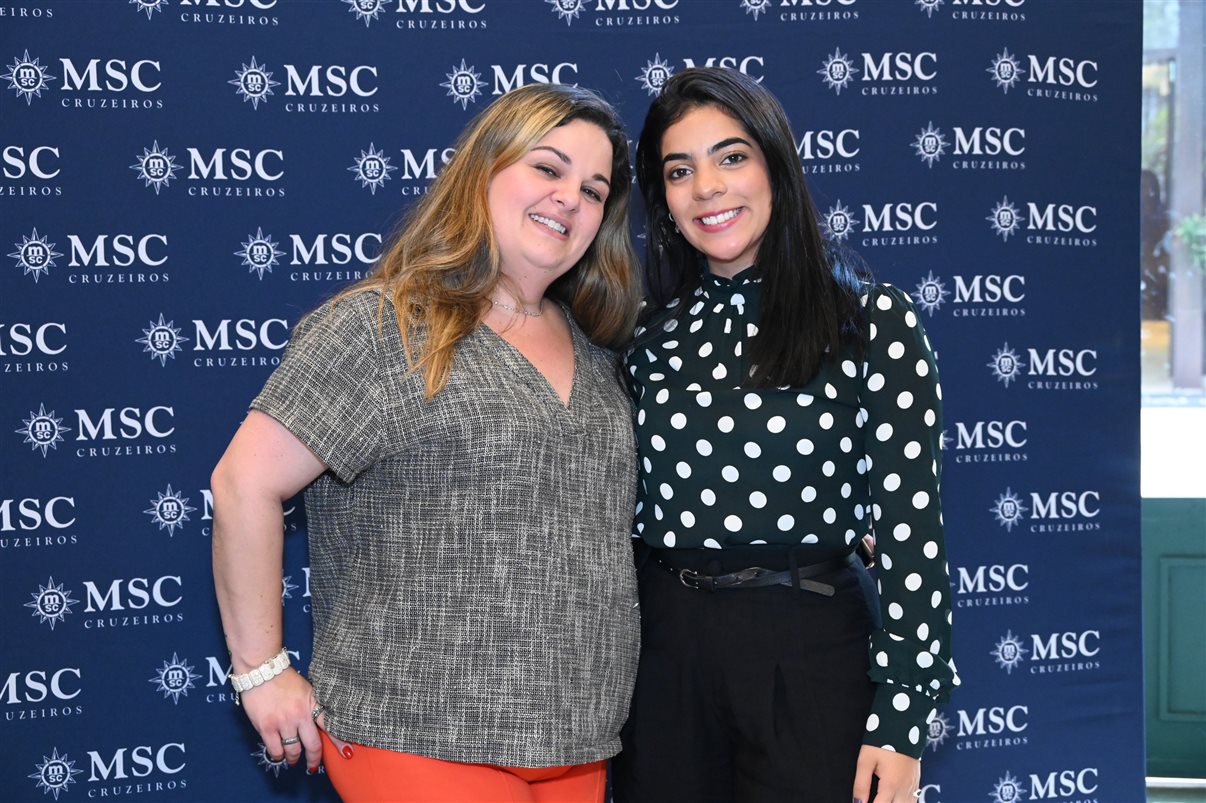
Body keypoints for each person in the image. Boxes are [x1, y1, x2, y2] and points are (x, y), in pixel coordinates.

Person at [211, 83, 642, 803]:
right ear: (484, 170)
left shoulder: (600, 355)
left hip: (579, 738)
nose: (571, 197)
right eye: (548, 167)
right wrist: (261, 668)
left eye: (593, 189)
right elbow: (244, 482)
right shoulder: (385, 326)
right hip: (416, 729)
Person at [611, 67, 959, 803]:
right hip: (666, 654)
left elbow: (910, 532)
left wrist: (902, 719)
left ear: (776, 165)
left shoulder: (870, 320)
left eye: (731, 157)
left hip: (811, 650)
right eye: (681, 170)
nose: (708, 187)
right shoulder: (646, 333)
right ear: (663, 200)